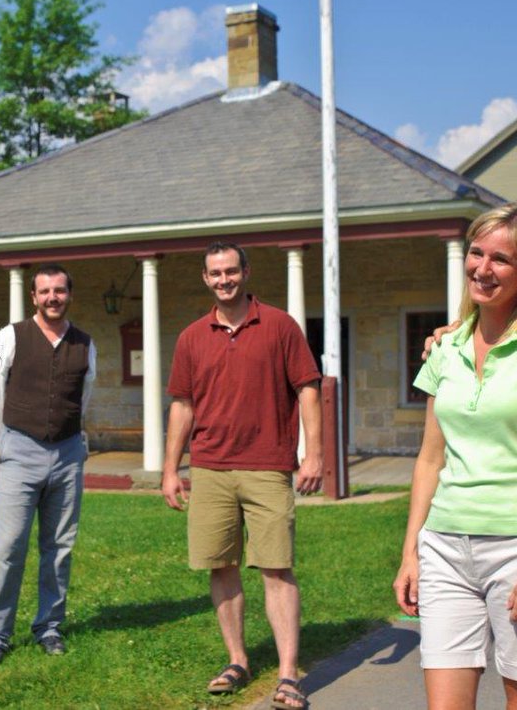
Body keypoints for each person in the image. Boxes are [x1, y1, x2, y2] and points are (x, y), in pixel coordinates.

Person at [393, 203, 517, 710]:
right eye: (477, 253)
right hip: (446, 551)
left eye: (501, 259)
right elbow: (430, 460)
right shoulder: (445, 347)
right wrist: (412, 551)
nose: (483, 267)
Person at [161, 241, 323, 710]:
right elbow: (183, 405)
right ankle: (237, 660)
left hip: (268, 466)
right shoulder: (192, 336)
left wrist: (313, 455)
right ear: (205, 279)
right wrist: (171, 469)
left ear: (246, 272)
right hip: (210, 467)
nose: (224, 279)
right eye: (215, 273)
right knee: (221, 566)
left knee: (276, 567)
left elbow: (307, 390)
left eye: (231, 271)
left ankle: (289, 672)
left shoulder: (279, 326)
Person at [0, 264, 95, 664]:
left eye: (59, 290)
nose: (52, 298)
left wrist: (74, 438)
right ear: (33, 297)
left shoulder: (85, 343)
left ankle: (49, 626)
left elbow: (86, 394)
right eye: (44, 291)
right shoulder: (11, 336)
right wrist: (6, 439)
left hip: (67, 455)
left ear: (69, 294)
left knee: (59, 547)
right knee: (8, 547)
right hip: (20, 450)